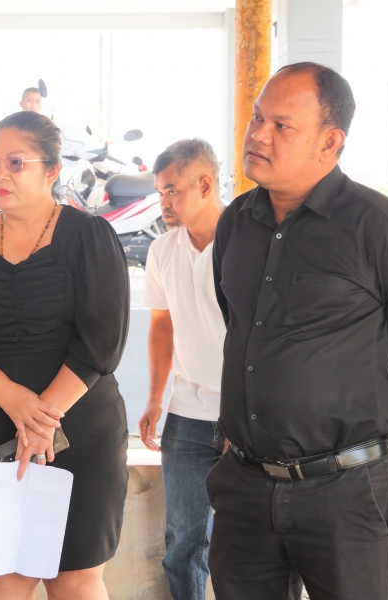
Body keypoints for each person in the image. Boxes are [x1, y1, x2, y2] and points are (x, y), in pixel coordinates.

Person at [210, 62, 388, 598]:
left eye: (282, 125)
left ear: (330, 142)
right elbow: (240, 329)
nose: (258, 134)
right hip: (244, 491)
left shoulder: (383, 228)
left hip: (345, 495)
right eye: (258, 118)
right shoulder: (235, 222)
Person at [0, 111, 129, 600]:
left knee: (76, 580)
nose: (0, 173)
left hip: (79, 433)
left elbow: (102, 341)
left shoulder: (90, 236)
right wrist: (15, 401)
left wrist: (42, 420)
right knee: (1, 580)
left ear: (52, 170)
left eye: (16, 162)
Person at [138, 139, 227, 600]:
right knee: (182, 540)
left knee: (245, 540)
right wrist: (155, 399)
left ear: (205, 185)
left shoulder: (247, 241)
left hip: (247, 416)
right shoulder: (162, 250)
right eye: (160, 193)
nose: (164, 203)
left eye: (172, 191)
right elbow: (162, 326)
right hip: (188, 413)